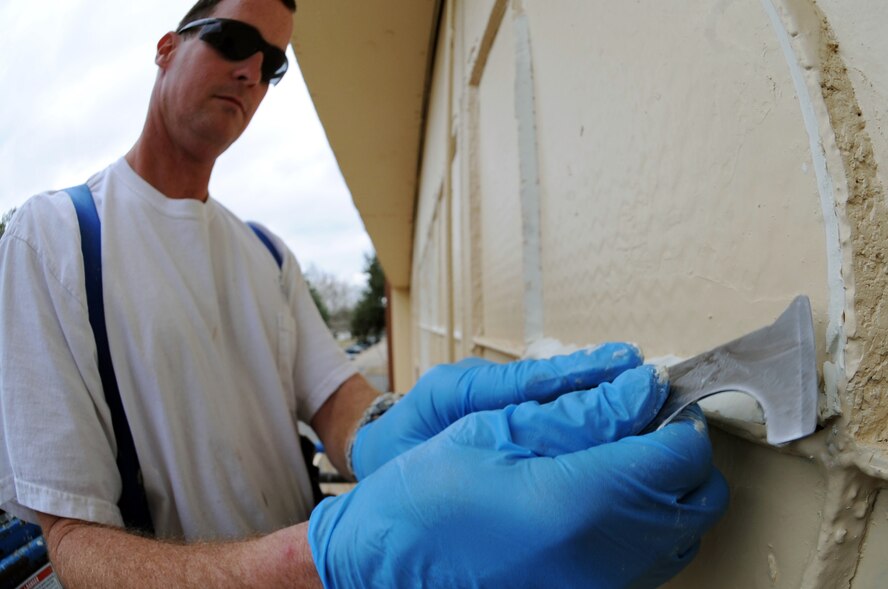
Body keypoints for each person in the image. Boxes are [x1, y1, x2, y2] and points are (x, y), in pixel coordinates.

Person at [0, 0, 729, 586]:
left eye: (274, 63)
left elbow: (337, 403)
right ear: (166, 48)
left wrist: (395, 422)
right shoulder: (54, 237)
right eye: (230, 39)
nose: (252, 71)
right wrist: (316, 562)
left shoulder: (266, 253)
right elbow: (74, 544)